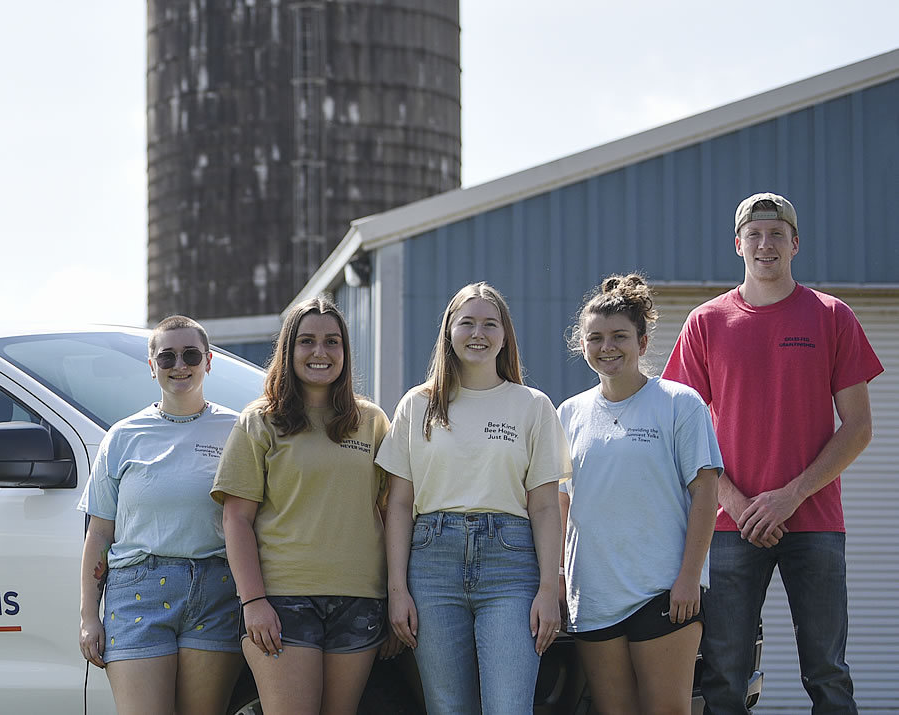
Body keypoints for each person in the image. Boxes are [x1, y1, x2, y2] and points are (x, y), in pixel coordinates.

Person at [662, 193, 882, 714]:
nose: (766, 245)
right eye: (755, 235)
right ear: (738, 244)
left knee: (828, 674)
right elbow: (681, 434)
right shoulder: (706, 323)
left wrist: (791, 496)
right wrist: (737, 504)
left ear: (795, 244)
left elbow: (859, 428)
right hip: (728, 526)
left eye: (777, 234)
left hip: (816, 523)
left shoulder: (832, 316)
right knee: (723, 677)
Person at [376, 283, 568, 714]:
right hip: (431, 565)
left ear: (505, 336)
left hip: (511, 566)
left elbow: (543, 505)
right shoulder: (417, 404)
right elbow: (399, 504)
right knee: (448, 708)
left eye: (489, 324)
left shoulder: (532, 406)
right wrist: (397, 590)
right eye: (467, 322)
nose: (477, 333)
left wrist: (548, 588)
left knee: (509, 707)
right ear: (449, 331)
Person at [214, 298, 391, 715]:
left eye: (332, 342)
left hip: (360, 601)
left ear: (345, 352)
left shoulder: (371, 421)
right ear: (288, 350)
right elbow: (236, 518)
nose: (320, 353)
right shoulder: (259, 420)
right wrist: (253, 602)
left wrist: (396, 595)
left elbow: (391, 513)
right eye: (307, 341)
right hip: (282, 602)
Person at [558, 274, 721, 715]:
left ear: (643, 343)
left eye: (619, 337)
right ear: (583, 344)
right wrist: (557, 575)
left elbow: (707, 493)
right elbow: (562, 502)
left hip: (663, 592)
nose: (607, 346)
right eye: (596, 338)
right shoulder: (569, 413)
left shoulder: (678, 403)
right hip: (592, 596)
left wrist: (689, 578)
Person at [77, 316, 244, 715]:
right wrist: (88, 617)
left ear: (208, 361)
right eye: (166, 357)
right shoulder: (122, 437)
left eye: (190, 355)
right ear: (152, 366)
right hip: (138, 591)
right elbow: (99, 534)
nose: (179, 365)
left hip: (216, 589)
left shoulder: (237, 430)